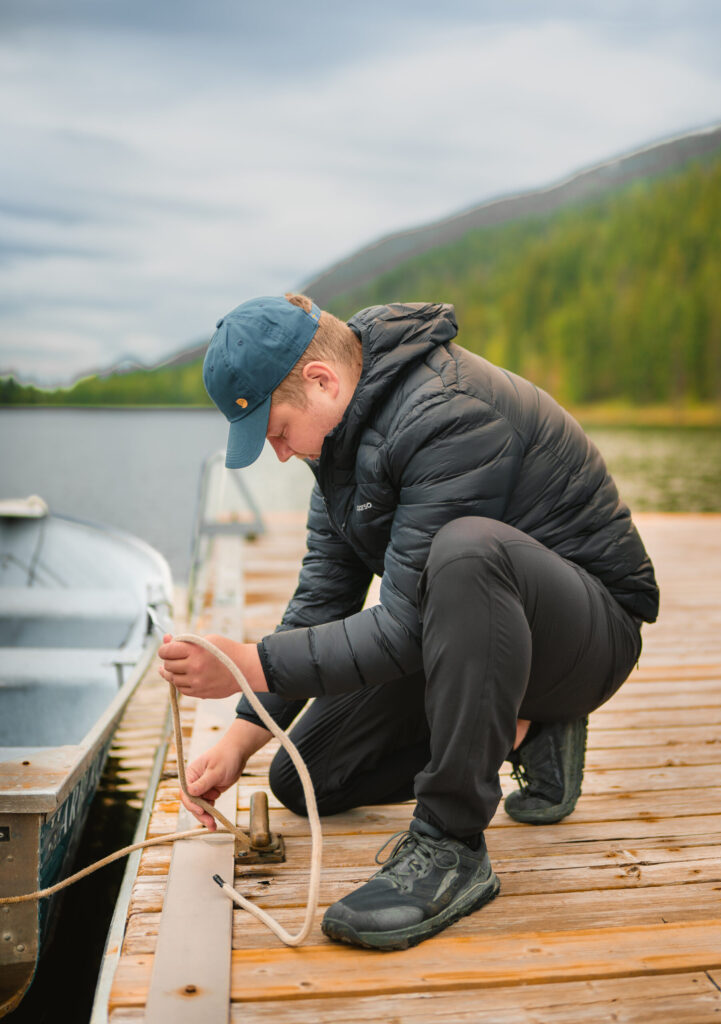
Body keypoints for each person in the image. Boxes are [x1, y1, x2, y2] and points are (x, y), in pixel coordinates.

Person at [158, 293, 659, 951]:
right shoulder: (338, 447)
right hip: (475, 634)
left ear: (322, 381)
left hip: (583, 636)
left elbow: (401, 628)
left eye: (277, 431)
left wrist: (246, 663)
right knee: (304, 778)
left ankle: (451, 844)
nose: (279, 453)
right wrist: (242, 735)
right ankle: (523, 730)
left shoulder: (447, 414)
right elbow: (320, 605)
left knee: (466, 549)